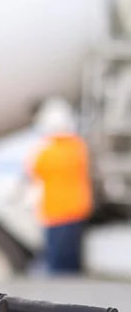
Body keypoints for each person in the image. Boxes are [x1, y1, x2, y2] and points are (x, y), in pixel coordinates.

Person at [26, 98, 93, 274]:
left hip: (55, 212)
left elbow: (32, 170)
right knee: (71, 260)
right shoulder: (78, 147)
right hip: (76, 209)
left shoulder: (47, 152)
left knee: (58, 264)